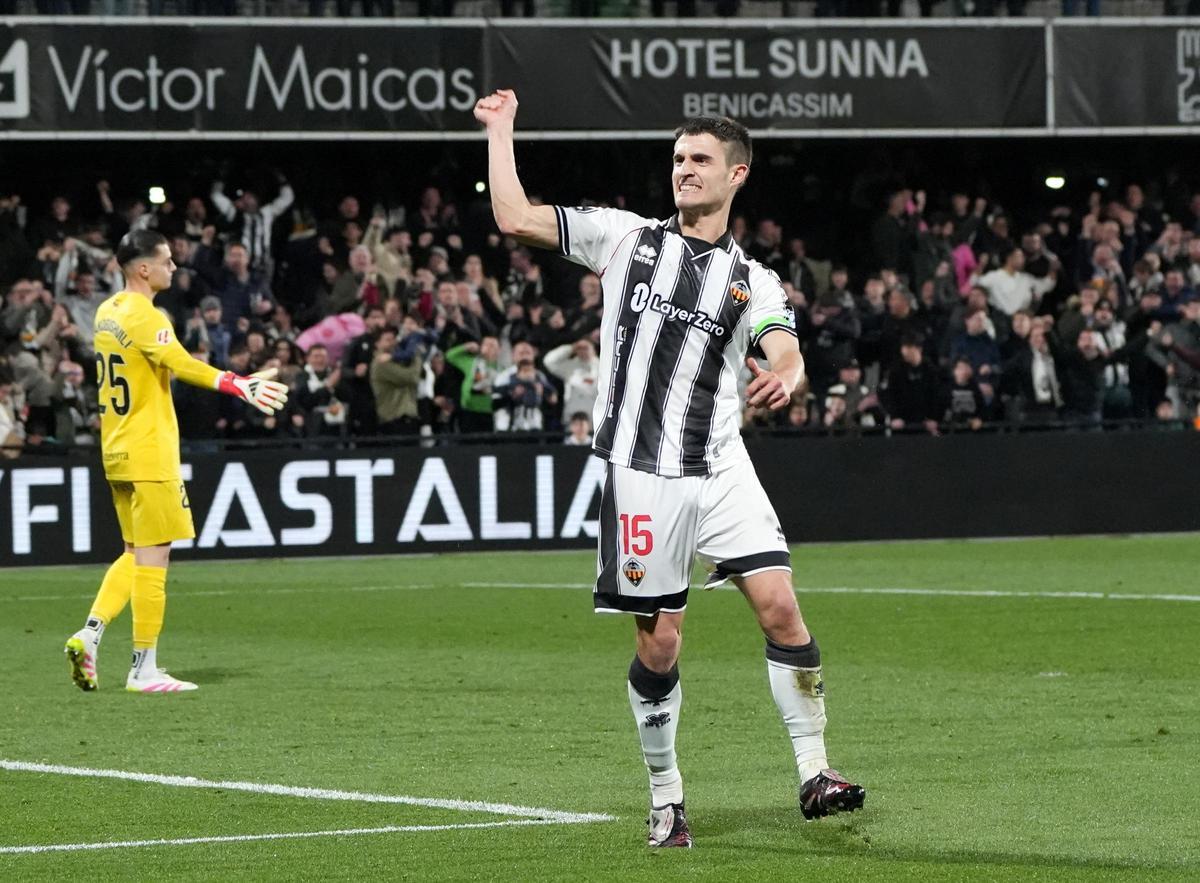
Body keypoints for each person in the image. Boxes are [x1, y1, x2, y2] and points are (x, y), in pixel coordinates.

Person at [475, 88, 864, 848]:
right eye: (678, 158)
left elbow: (784, 345)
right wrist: (501, 132)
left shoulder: (754, 278)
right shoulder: (623, 237)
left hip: (720, 463)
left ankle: (817, 772)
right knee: (661, 644)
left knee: (783, 608)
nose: (683, 170)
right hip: (644, 470)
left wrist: (786, 374)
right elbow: (516, 216)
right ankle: (667, 797)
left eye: (700, 160)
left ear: (737, 174)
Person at [63, 230, 288, 695]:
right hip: (150, 452)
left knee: (132, 552)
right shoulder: (147, 315)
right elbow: (180, 362)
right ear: (142, 268)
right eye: (166, 260)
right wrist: (237, 384)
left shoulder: (107, 312)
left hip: (117, 451)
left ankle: (90, 634)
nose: (174, 267)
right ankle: (144, 668)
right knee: (156, 559)